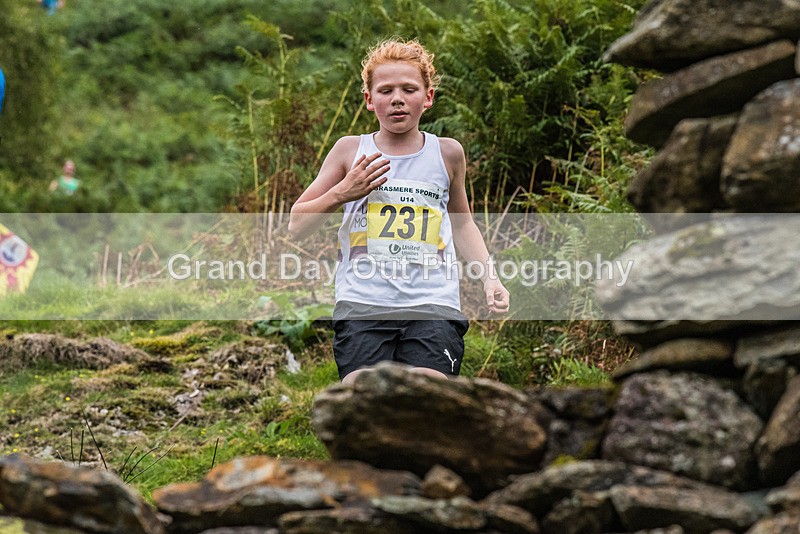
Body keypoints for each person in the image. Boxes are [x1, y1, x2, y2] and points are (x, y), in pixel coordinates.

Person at [288, 39, 509, 384]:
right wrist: (344, 191)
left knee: (426, 395)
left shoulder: (447, 154)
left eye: (409, 89)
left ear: (428, 97)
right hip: (363, 303)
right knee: (364, 398)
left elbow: (463, 225)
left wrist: (489, 277)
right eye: (385, 90)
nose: (397, 99)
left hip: (432, 303)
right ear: (369, 99)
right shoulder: (350, 151)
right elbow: (297, 225)